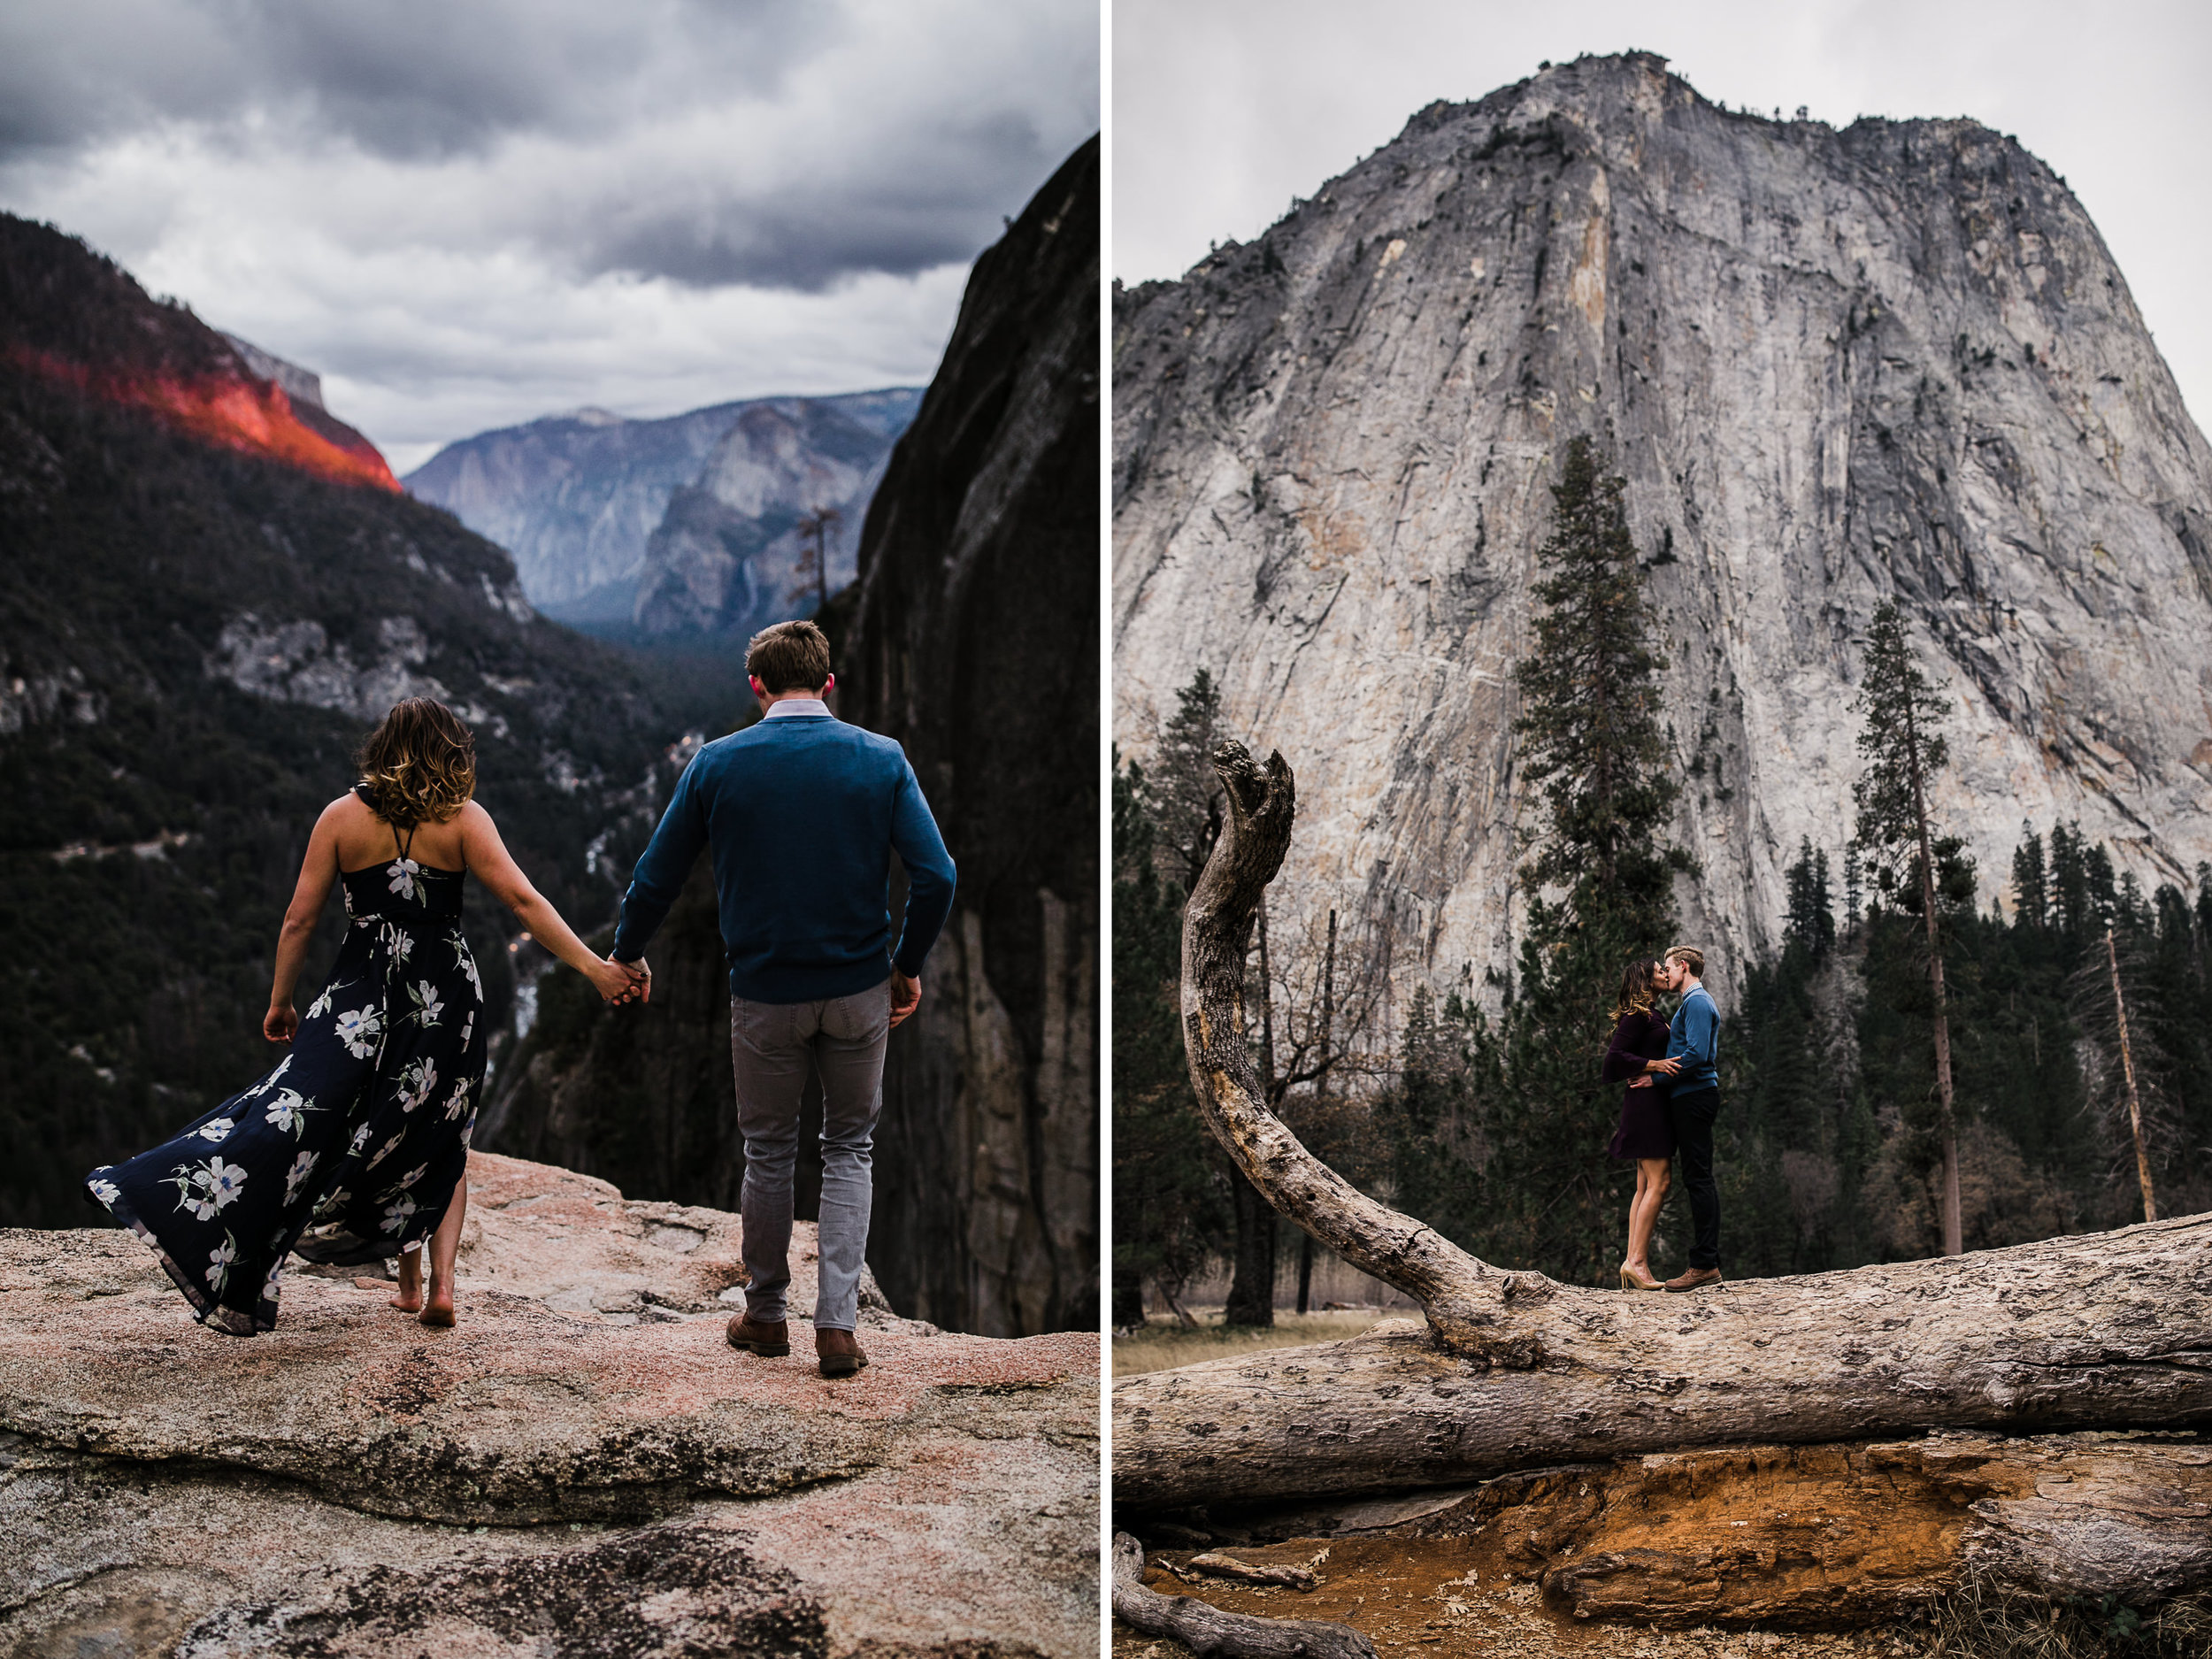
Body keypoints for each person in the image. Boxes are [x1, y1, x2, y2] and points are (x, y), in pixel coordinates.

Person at [84, 698, 640, 1334]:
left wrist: (281, 1000)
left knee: (305, 1113)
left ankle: (205, 1201)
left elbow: (299, 919)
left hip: (360, 995)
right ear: (449, 750)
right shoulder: (462, 819)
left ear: (382, 747)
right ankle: (439, 1289)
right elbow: (522, 900)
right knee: (439, 1134)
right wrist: (596, 968)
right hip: (443, 997)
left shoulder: (341, 818)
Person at [605, 619, 955, 1379]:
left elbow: (656, 876)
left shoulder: (717, 764)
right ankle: (837, 1327)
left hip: (763, 994)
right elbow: (937, 875)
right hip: (860, 990)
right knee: (848, 1148)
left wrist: (627, 952)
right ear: (829, 683)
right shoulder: (881, 758)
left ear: (756, 685)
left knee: (768, 1150)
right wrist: (906, 963)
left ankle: (765, 1315)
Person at [1601, 957, 1676, 1290]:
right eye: (1660, 969)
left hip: (1646, 1104)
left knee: (1645, 1185)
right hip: (1646, 1107)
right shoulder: (1638, 1015)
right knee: (1659, 1184)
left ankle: (1632, 1261)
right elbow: (1614, 1057)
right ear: (1646, 979)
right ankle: (1638, 1262)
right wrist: (1654, 1065)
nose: (1665, 973)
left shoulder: (1651, 1014)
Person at [1654, 944, 1723, 1290]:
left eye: (1669, 967)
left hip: (1694, 1095)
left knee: (1699, 1178)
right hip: (1693, 1095)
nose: (1665, 974)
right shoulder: (1693, 1002)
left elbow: (1695, 1054)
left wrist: (1655, 1078)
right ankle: (1706, 1261)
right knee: (1698, 1177)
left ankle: (1704, 1264)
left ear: (1684, 966)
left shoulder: (1696, 1001)